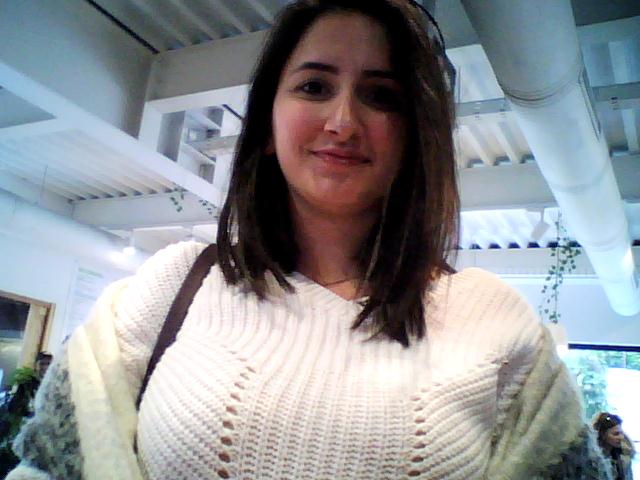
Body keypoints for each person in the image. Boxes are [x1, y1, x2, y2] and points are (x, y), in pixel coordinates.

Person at [8, 1, 612, 478]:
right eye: (314, 87)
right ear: (268, 126)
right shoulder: (167, 287)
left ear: (412, 138)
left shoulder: (494, 320)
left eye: (381, 96)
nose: (343, 121)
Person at [593, 412, 636, 480]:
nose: (621, 437)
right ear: (603, 435)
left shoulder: (624, 456)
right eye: (616, 434)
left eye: (621, 433)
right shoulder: (593, 458)